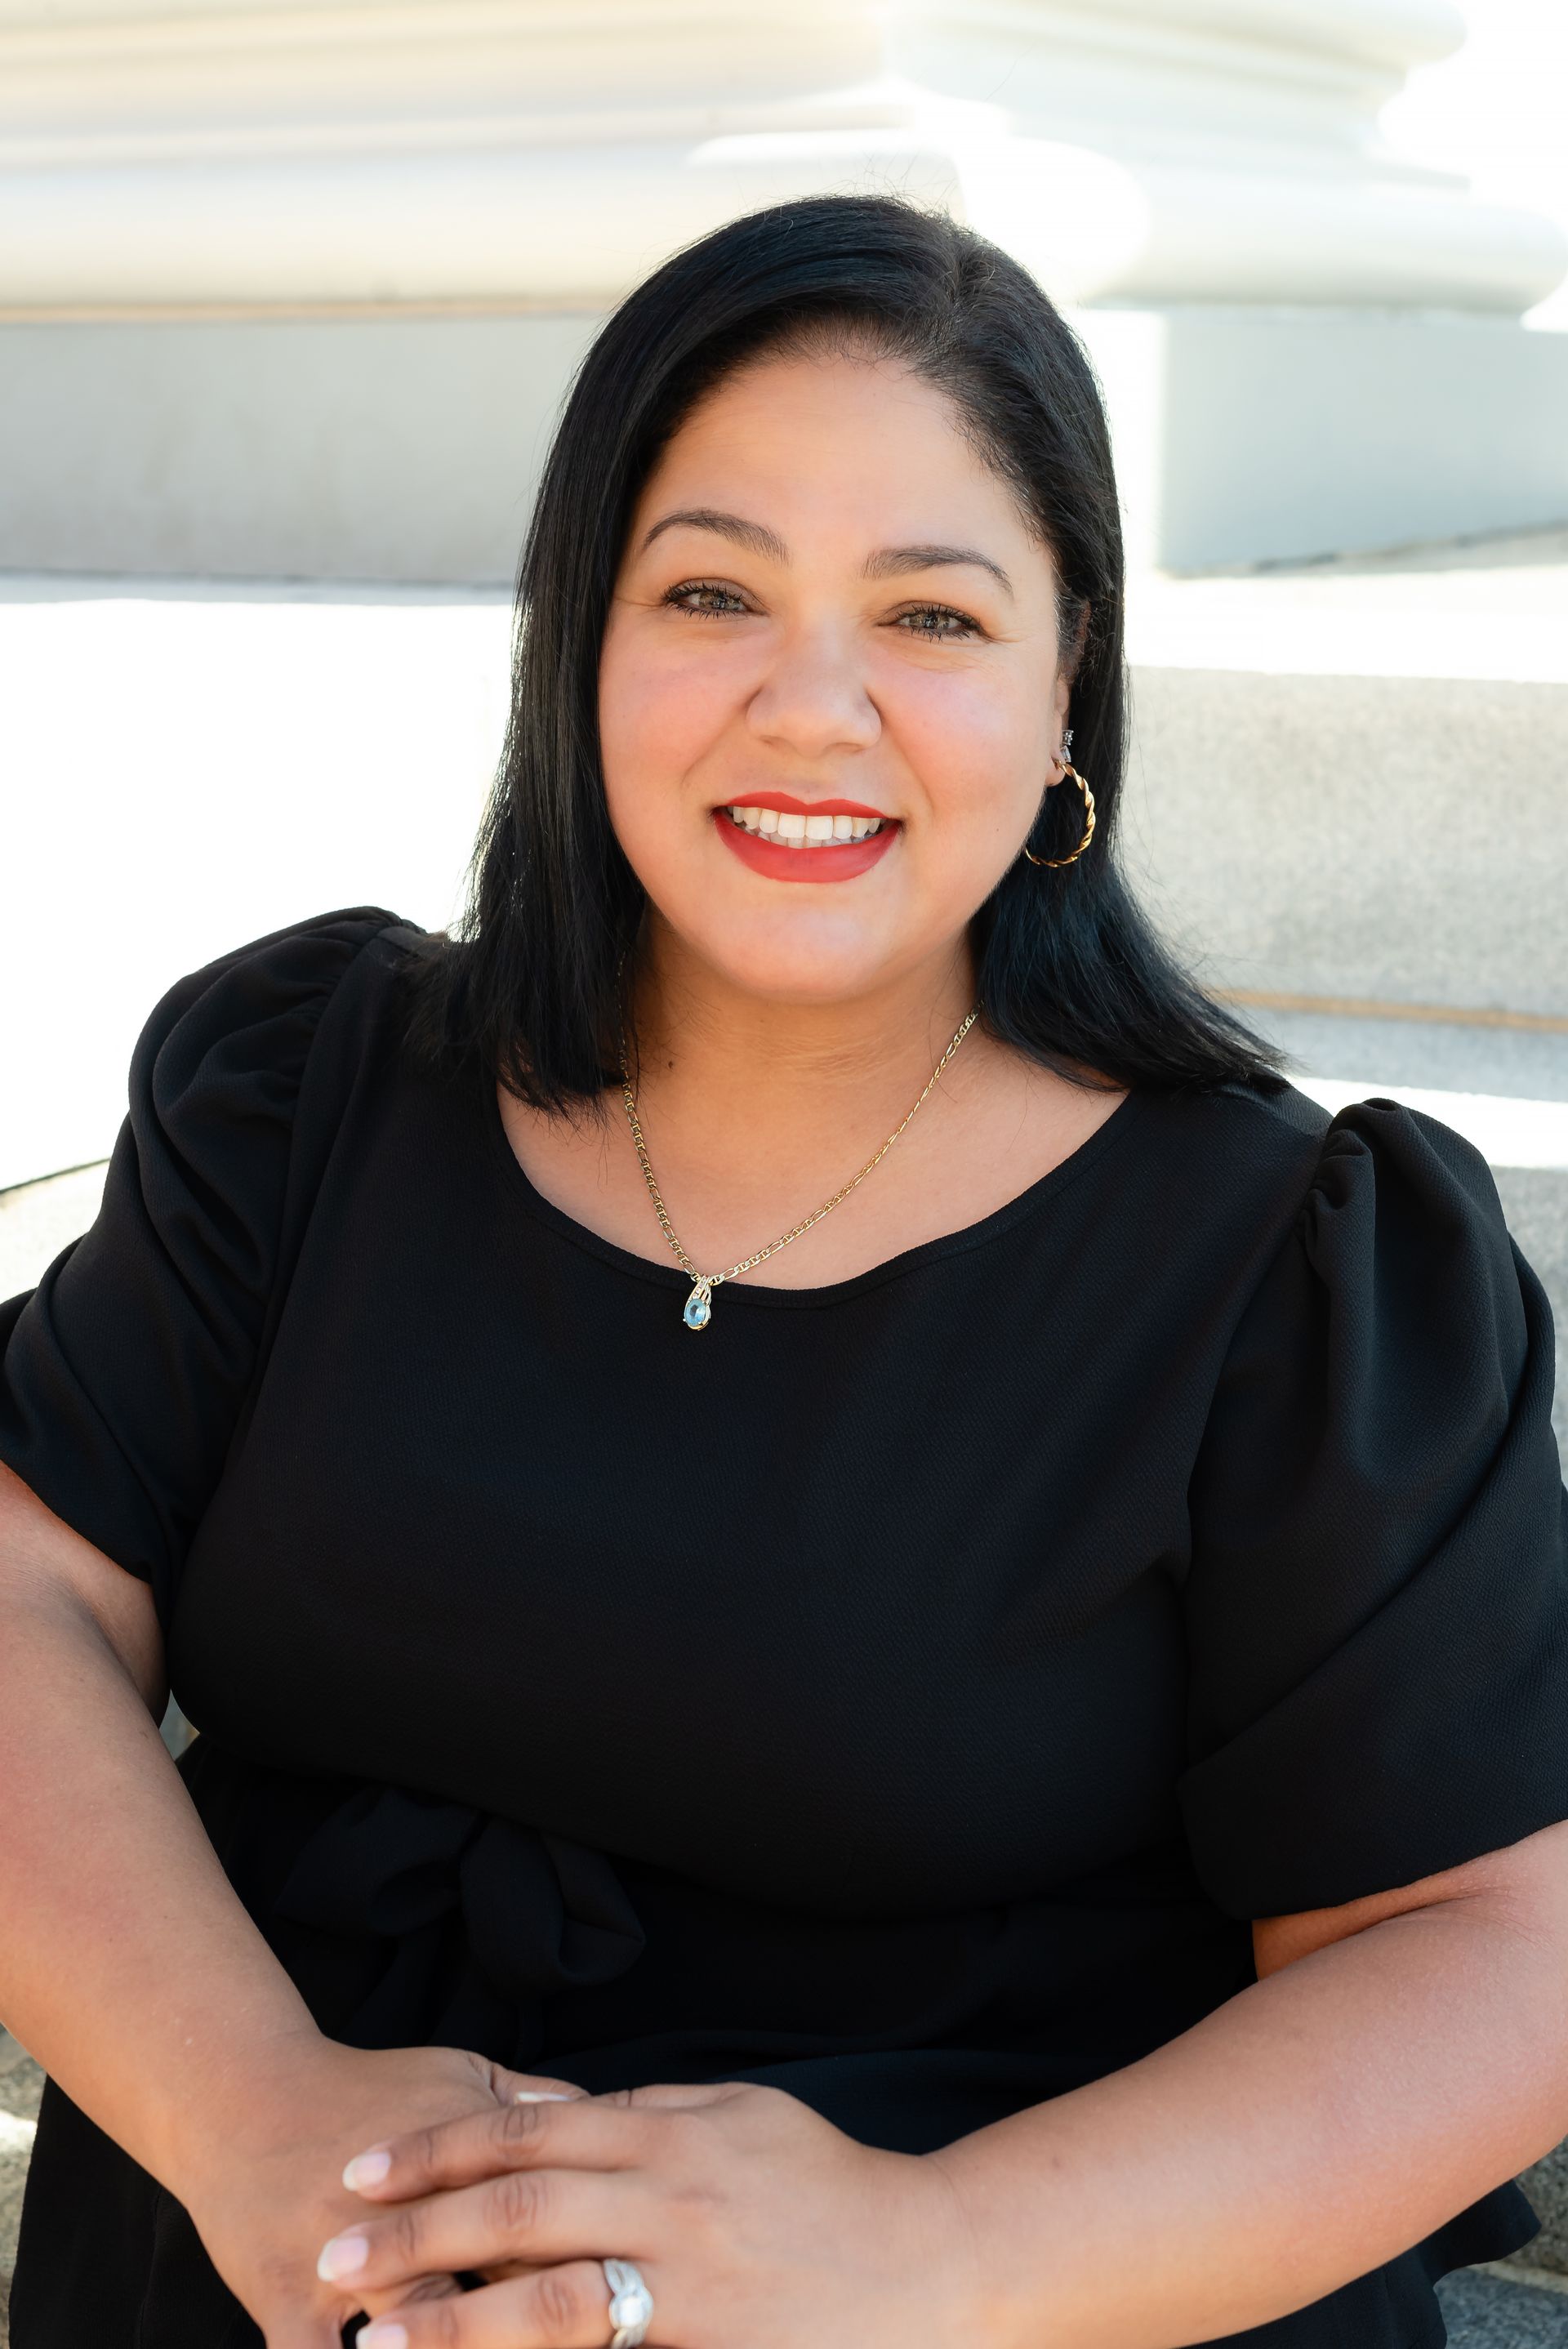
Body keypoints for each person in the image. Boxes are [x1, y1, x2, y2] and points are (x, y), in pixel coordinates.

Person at [2, 192, 1567, 2349]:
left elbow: (1484, 1938)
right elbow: (26, 1591)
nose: (810, 707)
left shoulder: (1294, 1276)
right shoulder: (309, 1093)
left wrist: (921, 2255)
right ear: (579, 636)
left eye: (931, 616)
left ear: (1065, 682)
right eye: (714, 588)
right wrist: (260, 2120)